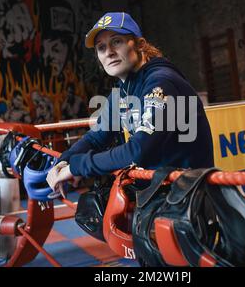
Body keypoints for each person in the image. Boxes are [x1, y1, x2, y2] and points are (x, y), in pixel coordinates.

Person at [46, 12, 214, 197]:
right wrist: (63, 162)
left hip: (187, 197)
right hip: (159, 192)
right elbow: (96, 137)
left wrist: (77, 167)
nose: (109, 52)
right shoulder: (124, 90)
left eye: (116, 41)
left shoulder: (161, 82)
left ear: (140, 44)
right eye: (101, 47)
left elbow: (138, 150)